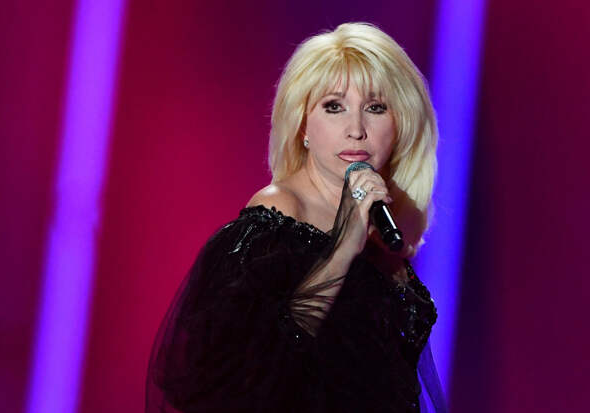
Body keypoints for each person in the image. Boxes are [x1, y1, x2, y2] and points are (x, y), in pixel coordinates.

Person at [146, 22, 447, 413]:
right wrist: (343, 248)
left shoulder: (383, 228)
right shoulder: (276, 215)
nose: (356, 130)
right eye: (334, 106)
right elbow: (247, 373)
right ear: (304, 124)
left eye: (375, 108)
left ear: (401, 124)